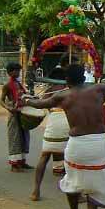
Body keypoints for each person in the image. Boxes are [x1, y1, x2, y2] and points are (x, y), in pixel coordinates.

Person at [23, 64, 105, 209]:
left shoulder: (62, 96)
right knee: (97, 182)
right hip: (98, 143)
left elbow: (38, 104)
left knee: (72, 181)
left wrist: (26, 100)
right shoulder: (97, 89)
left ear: (67, 80)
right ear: (83, 78)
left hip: (77, 144)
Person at [30, 67, 69, 201]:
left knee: (44, 157)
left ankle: (35, 191)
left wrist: (27, 100)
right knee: (71, 160)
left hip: (53, 123)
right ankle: (76, 193)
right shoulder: (67, 90)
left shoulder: (50, 91)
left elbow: (42, 104)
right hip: (66, 123)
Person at [0, 62, 32, 172]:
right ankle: (14, 165)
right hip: (14, 114)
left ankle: (22, 162)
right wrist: (9, 108)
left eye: (18, 70)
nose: (18, 72)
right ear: (9, 72)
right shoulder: (7, 85)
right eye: (15, 70)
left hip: (22, 113)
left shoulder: (19, 83)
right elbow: (1, 101)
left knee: (24, 137)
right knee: (15, 138)